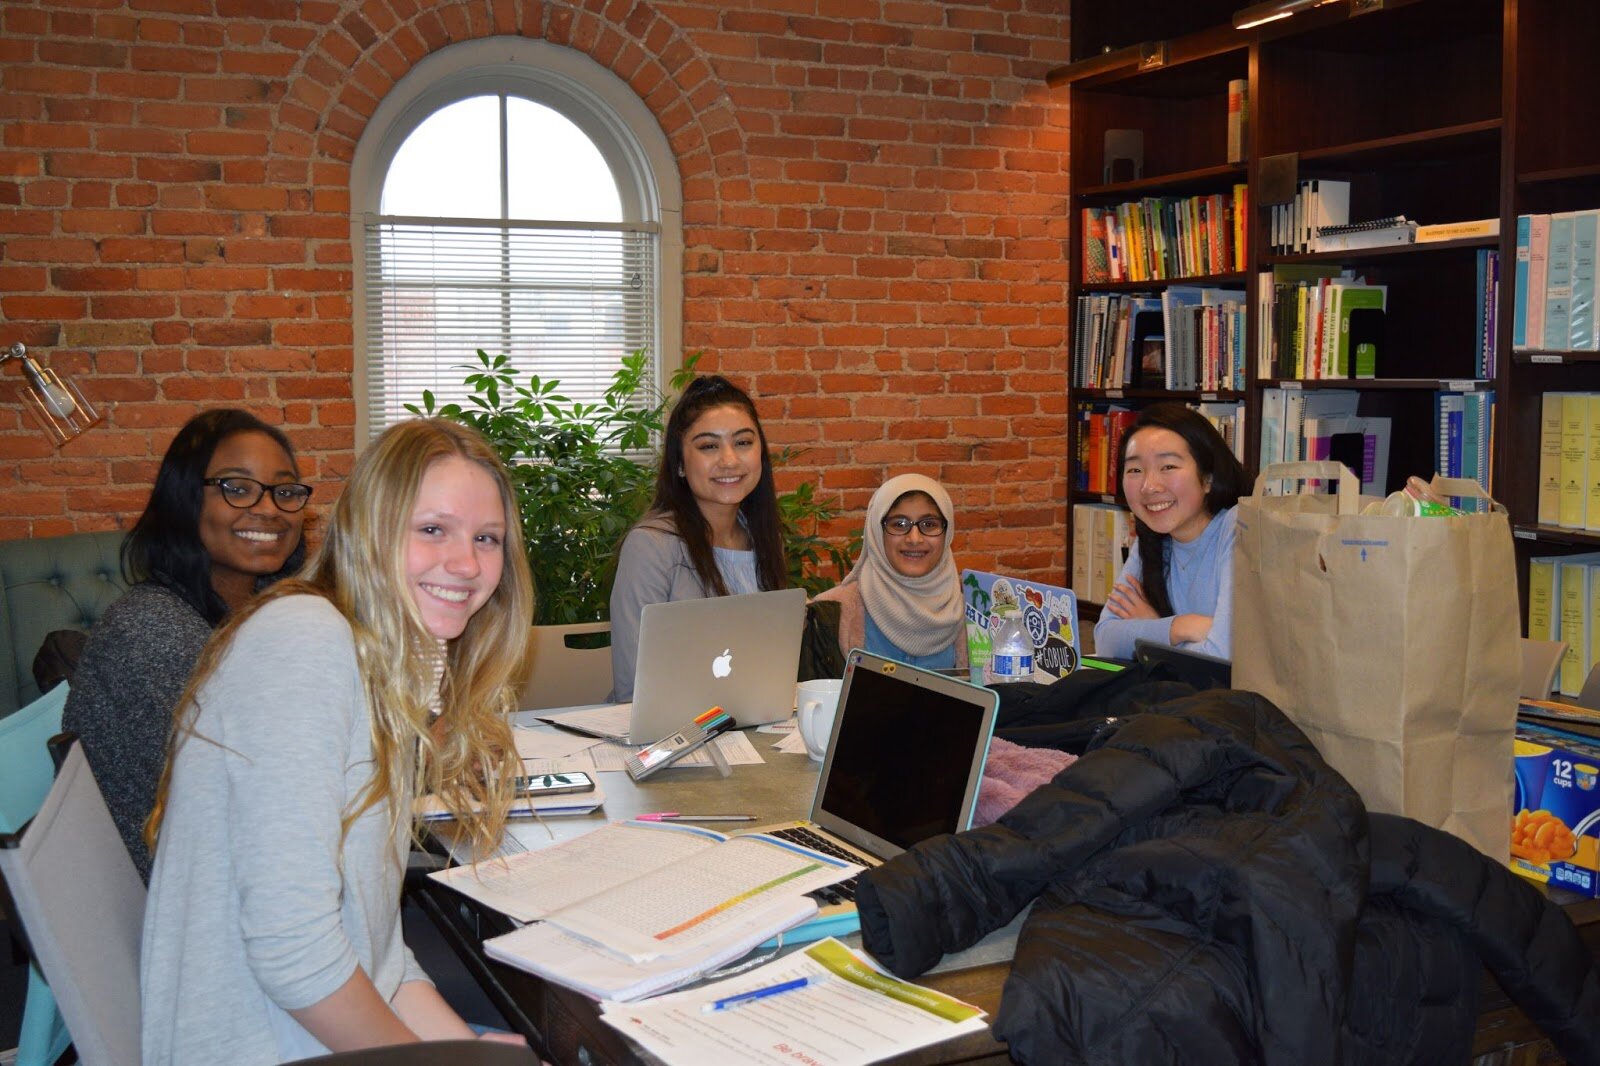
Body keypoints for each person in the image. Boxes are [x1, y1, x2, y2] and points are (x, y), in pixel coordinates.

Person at [139, 418, 534, 1064]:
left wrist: (458, 1050)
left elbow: (378, 951)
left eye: (486, 538)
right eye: (432, 529)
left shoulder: (375, 665)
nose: (466, 563)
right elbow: (295, 956)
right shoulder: (306, 643)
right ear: (369, 530)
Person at [63, 409, 309, 881]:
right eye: (237, 488)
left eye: (284, 490)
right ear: (183, 501)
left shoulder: (256, 611)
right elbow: (258, 794)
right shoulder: (153, 628)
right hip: (188, 898)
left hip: (235, 865)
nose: (270, 508)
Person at [608, 375, 787, 700]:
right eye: (709, 446)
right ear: (679, 463)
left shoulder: (763, 537)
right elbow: (633, 688)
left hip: (751, 723)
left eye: (743, 442)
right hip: (671, 734)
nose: (729, 460)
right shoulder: (651, 547)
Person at [1093, 402, 1247, 661]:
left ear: (1208, 478)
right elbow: (1106, 640)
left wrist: (1150, 633)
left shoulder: (1238, 527)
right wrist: (1179, 626)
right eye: (1135, 470)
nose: (1149, 486)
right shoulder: (1150, 543)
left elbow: (1223, 658)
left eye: (1168, 467)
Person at [814, 473, 968, 670]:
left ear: (947, 532)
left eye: (929, 524)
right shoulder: (831, 614)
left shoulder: (975, 614)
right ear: (877, 532)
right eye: (899, 524)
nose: (914, 538)